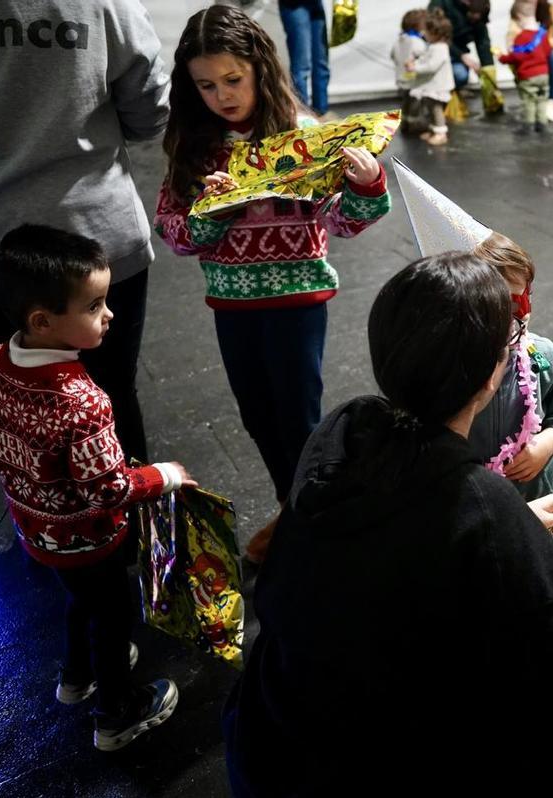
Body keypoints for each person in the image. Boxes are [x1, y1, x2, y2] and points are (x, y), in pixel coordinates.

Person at [222, 251, 553, 796]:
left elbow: (408, 540)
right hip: (391, 766)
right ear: (487, 379)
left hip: (274, 740)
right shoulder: (480, 498)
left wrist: (512, 519)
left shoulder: (343, 429)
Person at [154, 5, 391, 563]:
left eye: (232, 80)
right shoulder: (194, 144)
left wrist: (366, 182)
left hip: (296, 301)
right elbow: (175, 234)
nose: (222, 95)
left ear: (260, 67)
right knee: (256, 414)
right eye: (206, 85)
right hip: (231, 302)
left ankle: (309, 519)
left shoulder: (303, 136)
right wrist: (211, 211)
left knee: (298, 415)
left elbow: (343, 221)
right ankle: (295, 507)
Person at [0, 226, 195, 751]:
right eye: (95, 304)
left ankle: (77, 677)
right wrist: (163, 475)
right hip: (90, 536)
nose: (110, 314)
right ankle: (116, 713)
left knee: (78, 600)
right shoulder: (81, 401)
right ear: (42, 320)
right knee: (112, 611)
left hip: (38, 531)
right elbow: (108, 488)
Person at [0, 0, 170, 464]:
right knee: (111, 399)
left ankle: (47, 529)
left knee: (24, 403)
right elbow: (150, 110)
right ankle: (132, 529)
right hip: (98, 231)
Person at [470, 233, 553, 499]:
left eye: (522, 298)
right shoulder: (453, 364)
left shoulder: (544, 357)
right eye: (503, 303)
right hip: (473, 498)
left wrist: (547, 442)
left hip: (532, 494)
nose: (518, 314)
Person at [508, 0, 553, 121]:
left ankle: (552, 101)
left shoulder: (552, 9)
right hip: (533, 66)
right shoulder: (519, 10)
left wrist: (539, 44)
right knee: (518, 58)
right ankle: (531, 103)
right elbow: (512, 46)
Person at [500, 4, 553, 134]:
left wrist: (502, 58)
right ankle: (542, 124)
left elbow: (516, 57)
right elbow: (548, 52)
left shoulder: (521, 37)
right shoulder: (543, 35)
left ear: (519, 17)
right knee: (541, 99)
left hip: (528, 76)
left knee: (529, 100)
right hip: (544, 74)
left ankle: (528, 125)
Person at [408, 10, 457, 145]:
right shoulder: (434, 46)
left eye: (426, 32)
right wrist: (415, 63)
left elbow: (431, 66)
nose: (423, 34)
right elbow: (425, 59)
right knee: (429, 108)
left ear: (435, 33)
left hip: (437, 87)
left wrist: (415, 68)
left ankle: (441, 133)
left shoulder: (440, 48)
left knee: (436, 110)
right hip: (431, 86)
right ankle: (433, 129)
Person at [277, 0, 331, 117]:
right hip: (293, 5)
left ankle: (322, 114)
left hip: (316, 5)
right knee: (301, 68)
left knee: (321, 64)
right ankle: (302, 117)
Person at [429, 0, 493, 89]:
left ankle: (455, 89)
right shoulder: (441, 4)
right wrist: (461, 56)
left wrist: (488, 69)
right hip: (436, 51)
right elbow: (435, 36)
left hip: (457, 53)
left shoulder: (480, 6)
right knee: (457, 75)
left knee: (461, 75)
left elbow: (482, 41)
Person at [391, 8, 428, 131]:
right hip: (414, 79)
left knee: (405, 101)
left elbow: (392, 55)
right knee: (415, 102)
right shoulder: (417, 41)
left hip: (401, 77)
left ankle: (405, 122)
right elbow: (424, 55)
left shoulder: (399, 40)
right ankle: (414, 123)